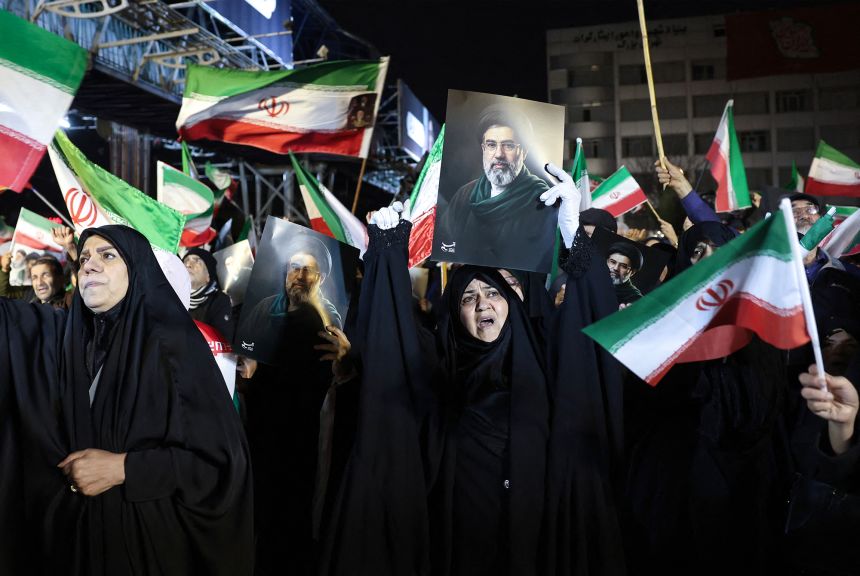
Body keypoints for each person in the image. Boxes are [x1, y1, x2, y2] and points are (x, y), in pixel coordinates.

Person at [322, 163, 626, 576]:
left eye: (493, 293)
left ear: (512, 305)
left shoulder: (548, 369)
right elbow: (389, 362)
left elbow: (590, 340)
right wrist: (386, 256)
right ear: (455, 314)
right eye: (468, 297)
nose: (482, 303)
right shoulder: (437, 382)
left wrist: (573, 235)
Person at [0, 224, 253, 576]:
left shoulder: (174, 346)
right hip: (77, 546)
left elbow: (219, 464)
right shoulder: (66, 341)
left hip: (146, 545)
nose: (89, 265)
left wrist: (124, 469)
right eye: (84, 258)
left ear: (137, 270)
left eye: (107, 255)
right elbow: (12, 324)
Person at [624, 221, 792, 576]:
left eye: (719, 249)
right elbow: (642, 403)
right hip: (673, 481)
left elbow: (766, 402)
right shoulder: (659, 320)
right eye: (697, 251)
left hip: (746, 481)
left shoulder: (760, 321)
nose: (707, 259)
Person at [434, 105, 556, 271]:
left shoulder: (543, 201)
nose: (499, 154)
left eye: (508, 145)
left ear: (524, 151)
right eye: (491, 145)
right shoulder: (464, 196)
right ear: (483, 149)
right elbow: (447, 242)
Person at [239, 238, 342, 363]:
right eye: (295, 267)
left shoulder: (328, 319)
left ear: (321, 279)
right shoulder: (265, 307)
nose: (300, 276)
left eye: (308, 270)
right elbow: (243, 345)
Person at [183, 247, 234, 340]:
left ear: (208, 276)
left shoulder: (219, 301)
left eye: (197, 261)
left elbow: (222, 341)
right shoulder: (169, 295)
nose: (188, 264)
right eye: (185, 260)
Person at [606, 242, 643, 307]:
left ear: (632, 272)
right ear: (607, 261)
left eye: (623, 266)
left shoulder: (635, 298)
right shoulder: (595, 279)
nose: (616, 268)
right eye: (613, 262)